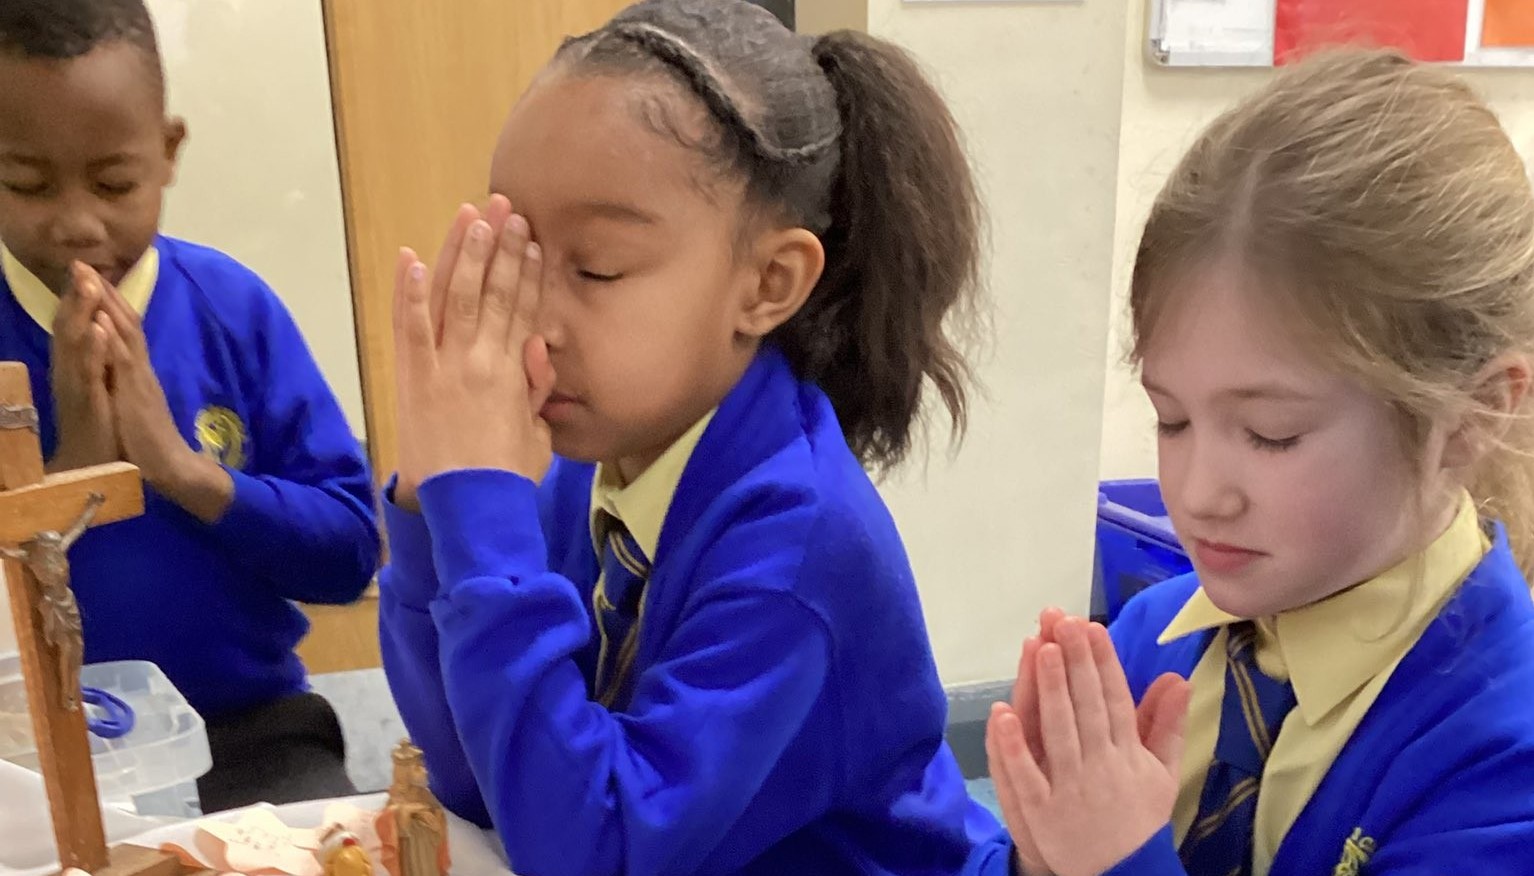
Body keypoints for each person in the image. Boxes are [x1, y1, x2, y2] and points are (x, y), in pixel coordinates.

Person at [378, 0, 996, 872]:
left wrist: (485, 529)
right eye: (519, 252)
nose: (535, 322)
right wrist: (430, 506)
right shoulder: (577, 469)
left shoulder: (797, 551)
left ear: (768, 283)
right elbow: (476, 778)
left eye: (595, 269)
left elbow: (596, 852)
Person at [971, 48, 1534, 876]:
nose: (1197, 496)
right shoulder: (1147, 640)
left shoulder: (1501, 754)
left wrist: (1114, 861)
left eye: (1272, 434)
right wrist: (1034, 854)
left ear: (1475, 415)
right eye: (1170, 420)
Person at [0, 0, 380, 811]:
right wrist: (71, 475)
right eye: (26, 183)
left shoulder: (232, 311)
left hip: (251, 737)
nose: (76, 223)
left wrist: (183, 471)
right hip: (26, 758)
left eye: (114, 182)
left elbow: (349, 557)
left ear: (168, 153)